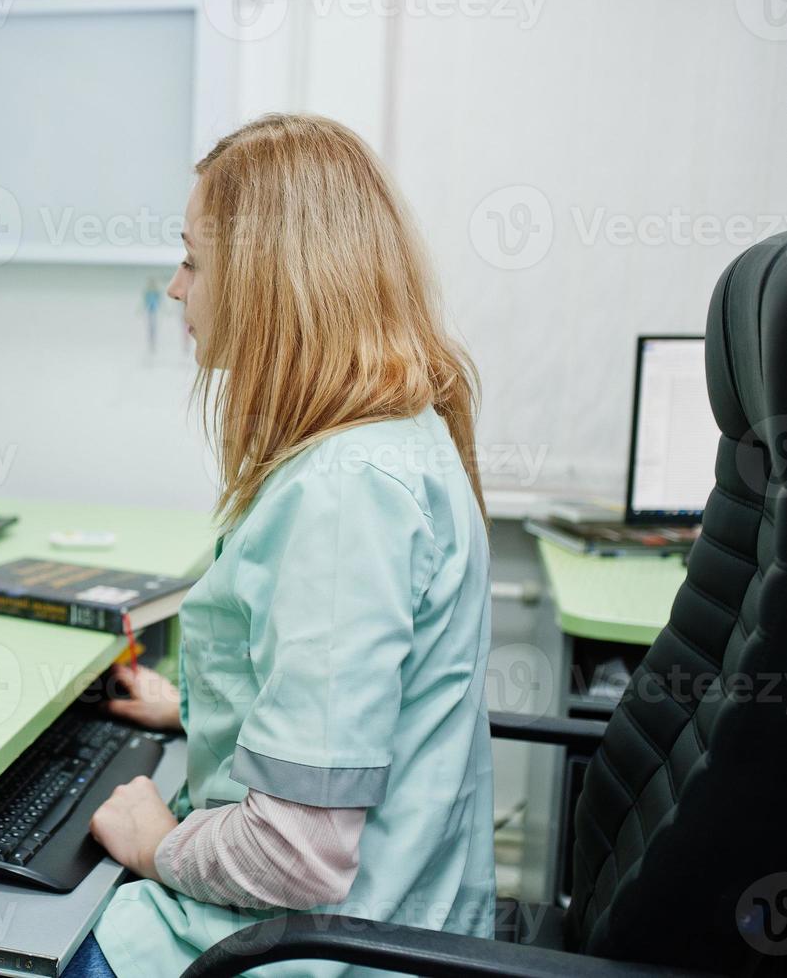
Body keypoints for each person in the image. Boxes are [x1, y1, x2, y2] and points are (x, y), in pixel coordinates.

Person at [67, 113, 496, 977]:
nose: (174, 287)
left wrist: (158, 844)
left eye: (192, 260)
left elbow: (295, 855)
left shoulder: (344, 495)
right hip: (396, 915)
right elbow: (351, 699)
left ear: (266, 282)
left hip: (303, 952)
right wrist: (193, 707)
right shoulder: (395, 434)